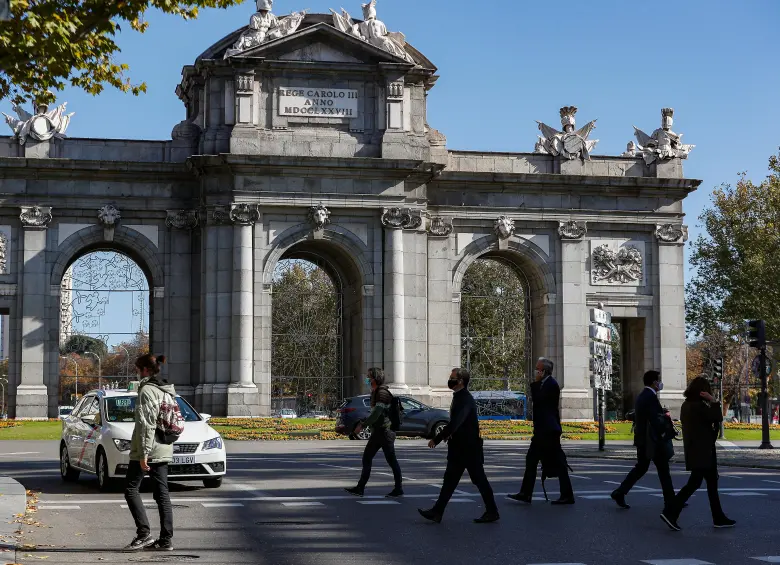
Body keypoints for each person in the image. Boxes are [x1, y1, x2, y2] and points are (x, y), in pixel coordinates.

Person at [418, 368, 499, 523]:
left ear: (460, 381)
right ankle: (437, 511)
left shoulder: (465, 399)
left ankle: (492, 511)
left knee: (479, 479)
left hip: (469, 449)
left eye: (452, 377)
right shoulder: (459, 397)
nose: (450, 379)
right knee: (449, 480)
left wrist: (437, 438)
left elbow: (456, 423)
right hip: (459, 448)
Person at [660, 377, 736, 531]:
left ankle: (718, 516)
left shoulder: (687, 405)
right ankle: (671, 511)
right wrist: (713, 401)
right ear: (702, 391)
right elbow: (717, 417)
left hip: (697, 449)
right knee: (695, 483)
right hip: (703, 451)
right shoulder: (698, 406)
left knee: (710, 483)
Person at [123, 354, 175, 552]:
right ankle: (166, 540)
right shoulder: (166, 389)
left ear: (145, 370)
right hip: (163, 446)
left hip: (148, 448)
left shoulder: (146, 390)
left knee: (130, 488)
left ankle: (144, 534)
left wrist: (144, 454)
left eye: (137, 369)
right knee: (162, 494)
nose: (137, 373)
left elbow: (147, 424)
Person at [508, 358, 574, 505]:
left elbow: (539, 401)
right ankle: (526, 493)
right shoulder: (545, 384)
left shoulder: (551, 385)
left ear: (544, 371)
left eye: (538, 369)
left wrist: (536, 382)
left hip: (548, 431)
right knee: (533, 461)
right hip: (544, 430)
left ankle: (565, 495)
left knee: (556, 463)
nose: (535, 371)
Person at [610, 370, 675, 510]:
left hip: (643, 439)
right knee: (663, 471)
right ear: (654, 382)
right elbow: (655, 420)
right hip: (652, 441)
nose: (660, 383)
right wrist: (666, 423)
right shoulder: (650, 397)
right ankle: (671, 501)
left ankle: (620, 492)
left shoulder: (642, 396)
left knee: (641, 468)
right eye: (659, 380)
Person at [345, 368, 403, 498]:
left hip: (385, 432)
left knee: (391, 460)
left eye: (369, 377)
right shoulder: (377, 392)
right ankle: (360, 488)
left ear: (375, 379)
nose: (367, 379)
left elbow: (377, 413)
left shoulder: (382, 393)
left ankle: (398, 489)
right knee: (368, 458)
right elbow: (375, 413)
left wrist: (363, 425)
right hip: (379, 432)